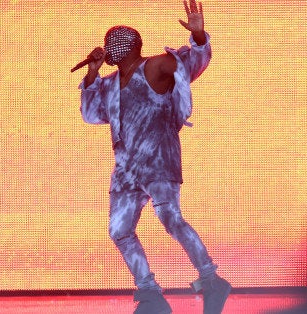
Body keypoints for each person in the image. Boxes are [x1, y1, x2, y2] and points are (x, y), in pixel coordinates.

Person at [77, 1, 231, 313]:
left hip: (159, 157)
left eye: (115, 42)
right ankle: (150, 293)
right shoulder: (108, 85)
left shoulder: (156, 66)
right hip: (127, 168)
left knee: (170, 218)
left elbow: (192, 65)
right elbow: (91, 114)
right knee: (119, 230)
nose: (109, 47)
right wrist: (93, 72)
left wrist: (199, 37)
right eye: (108, 43)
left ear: (131, 45)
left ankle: (211, 279)